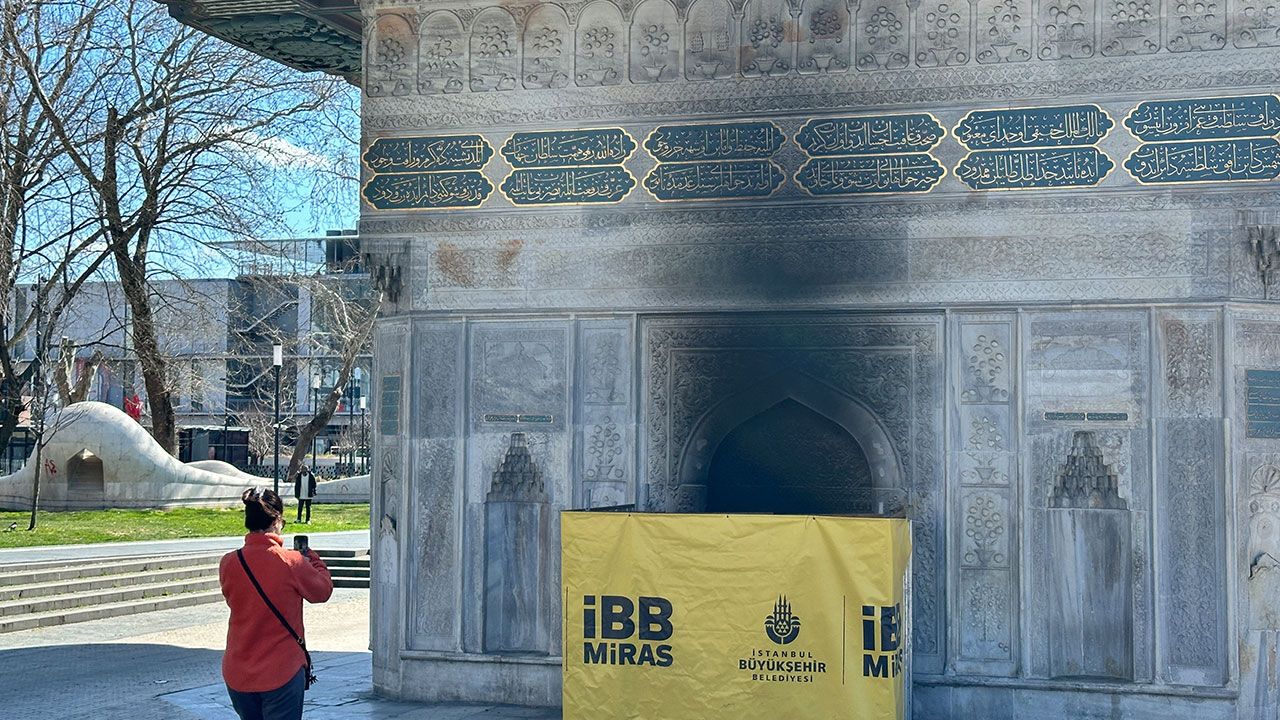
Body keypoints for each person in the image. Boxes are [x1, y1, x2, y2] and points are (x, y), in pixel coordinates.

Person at [220, 488, 332, 720]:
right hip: (281, 670)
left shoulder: (229, 562)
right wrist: (313, 560)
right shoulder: (292, 561)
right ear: (277, 521)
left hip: (238, 670)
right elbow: (322, 592)